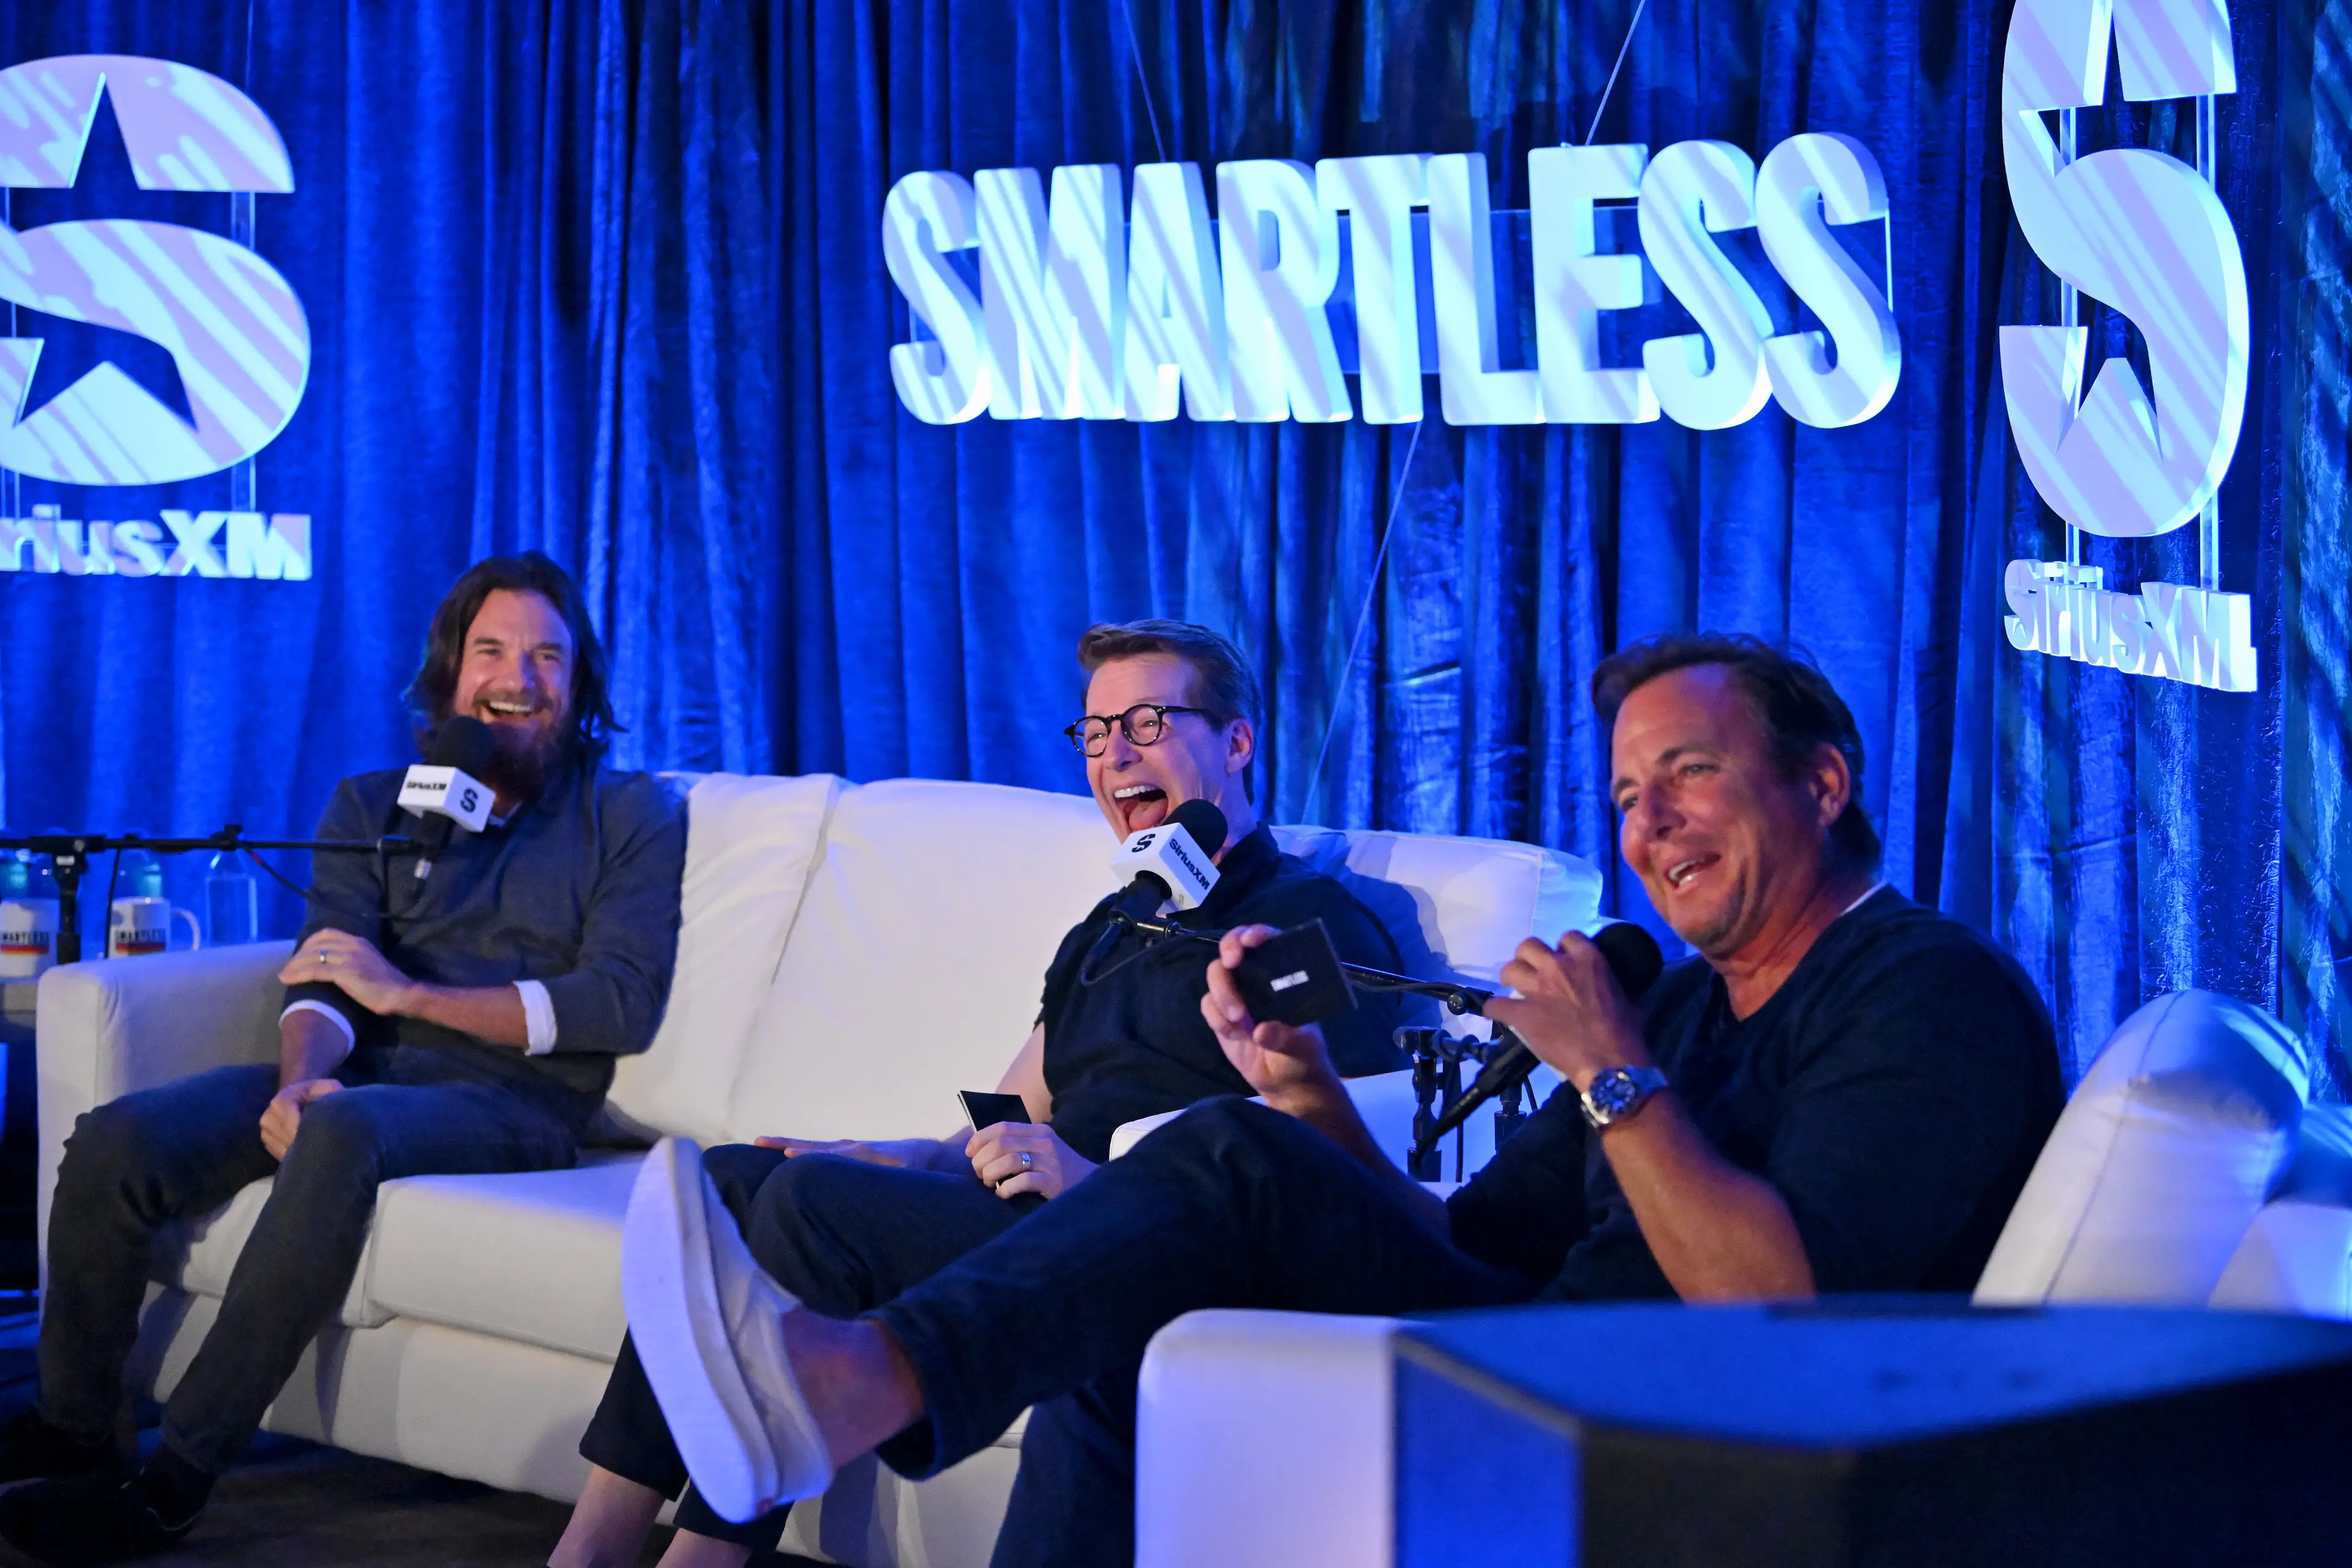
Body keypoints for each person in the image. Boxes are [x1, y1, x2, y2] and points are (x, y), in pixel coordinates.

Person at [619, 631, 2067, 1567]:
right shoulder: (1682, 998)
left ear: (1823, 781)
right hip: (1536, 1334)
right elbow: (1475, 1240)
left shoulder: (1925, 990)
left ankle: (865, 1374)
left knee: (1214, 1169)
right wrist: (1307, 1093)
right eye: (1627, 794)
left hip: (1670, 1408)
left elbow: (1787, 1314)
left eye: (1689, 774)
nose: (1649, 824)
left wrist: (1607, 1070)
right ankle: (830, 1385)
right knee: (1156, 1288)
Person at [547, 620, 1412, 1568]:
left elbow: (1327, 1166)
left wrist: (1097, 1179)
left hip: (1122, 1241)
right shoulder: (1115, 923)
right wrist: (887, 1155)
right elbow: (1011, 1111)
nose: (1115, 754)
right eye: (1094, 732)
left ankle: (703, 1560)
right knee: (733, 1177)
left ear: (1237, 742)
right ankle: (590, 1545)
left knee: (809, 1209)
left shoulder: (1306, 922)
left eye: (1148, 722)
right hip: (1014, 1209)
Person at [0, 554, 688, 1565]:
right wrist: (296, 1083)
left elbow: (614, 1003)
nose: (521, 678)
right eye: (493, 651)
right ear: (450, 674)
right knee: (117, 1139)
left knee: (344, 1124)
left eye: (550, 656)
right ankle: (69, 1430)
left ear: (579, 683)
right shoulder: (375, 804)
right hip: (364, 1081)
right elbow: (321, 976)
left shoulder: (626, 813)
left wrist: (408, 997)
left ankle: (176, 1479)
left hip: (519, 1101)